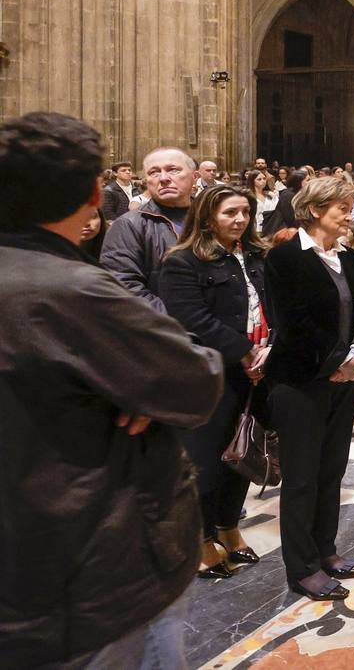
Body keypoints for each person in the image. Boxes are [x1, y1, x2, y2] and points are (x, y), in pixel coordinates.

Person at [0, 112, 223, 667]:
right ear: (96, 192)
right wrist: (136, 385)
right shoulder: (70, 290)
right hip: (79, 569)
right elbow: (195, 381)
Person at [261, 176, 354, 601]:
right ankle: (302, 566)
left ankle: (326, 550)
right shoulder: (285, 259)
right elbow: (293, 324)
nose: (350, 214)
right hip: (300, 382)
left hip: (344, 380)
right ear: (314, 210)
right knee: (301, 478)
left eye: (349, 206)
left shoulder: (347, 257)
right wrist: (338, 362)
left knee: (332, 470)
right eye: (341, 207)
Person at [159, 185, 270, 581]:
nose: (239, 220)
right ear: (208, 217)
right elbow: (190, 316)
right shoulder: (183, 261)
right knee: (205, 461)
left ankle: (228, 526)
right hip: (212, 373)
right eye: (230, 213)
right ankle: (201, 537)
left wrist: (266, 351)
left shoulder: (257, 255)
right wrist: (242, 350)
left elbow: (271, 305)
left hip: (257, 369)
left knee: (242, 454)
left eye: (244, 212)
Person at [100, 147, 198, 311]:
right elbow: (122, 288)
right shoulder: (129, 225)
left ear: (194, 176)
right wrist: (183, 319)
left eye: (173, 170)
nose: (164, 178)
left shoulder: (214, 218)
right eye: (154, 172)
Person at [245, 168, 278, 233]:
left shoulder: (270, 195)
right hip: (255, 229)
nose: (263, 181)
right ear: (252, 181)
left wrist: (274, 196)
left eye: (264, 179)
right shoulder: (248, 196)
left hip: (270, 228)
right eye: (259, 179)